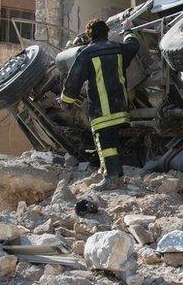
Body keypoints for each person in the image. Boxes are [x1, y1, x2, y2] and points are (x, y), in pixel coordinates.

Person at [58, 17, 140, 191]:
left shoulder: (86, 54)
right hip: (120, 106)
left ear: (90, 36)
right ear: (107, 32)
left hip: (102, 109)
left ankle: (111, 179)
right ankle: (115, 175)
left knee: (105, 144)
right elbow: (133, 46)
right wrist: (128, 31)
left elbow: (74, 81)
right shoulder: (118, 49)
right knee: (113, 142)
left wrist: (66, 102)